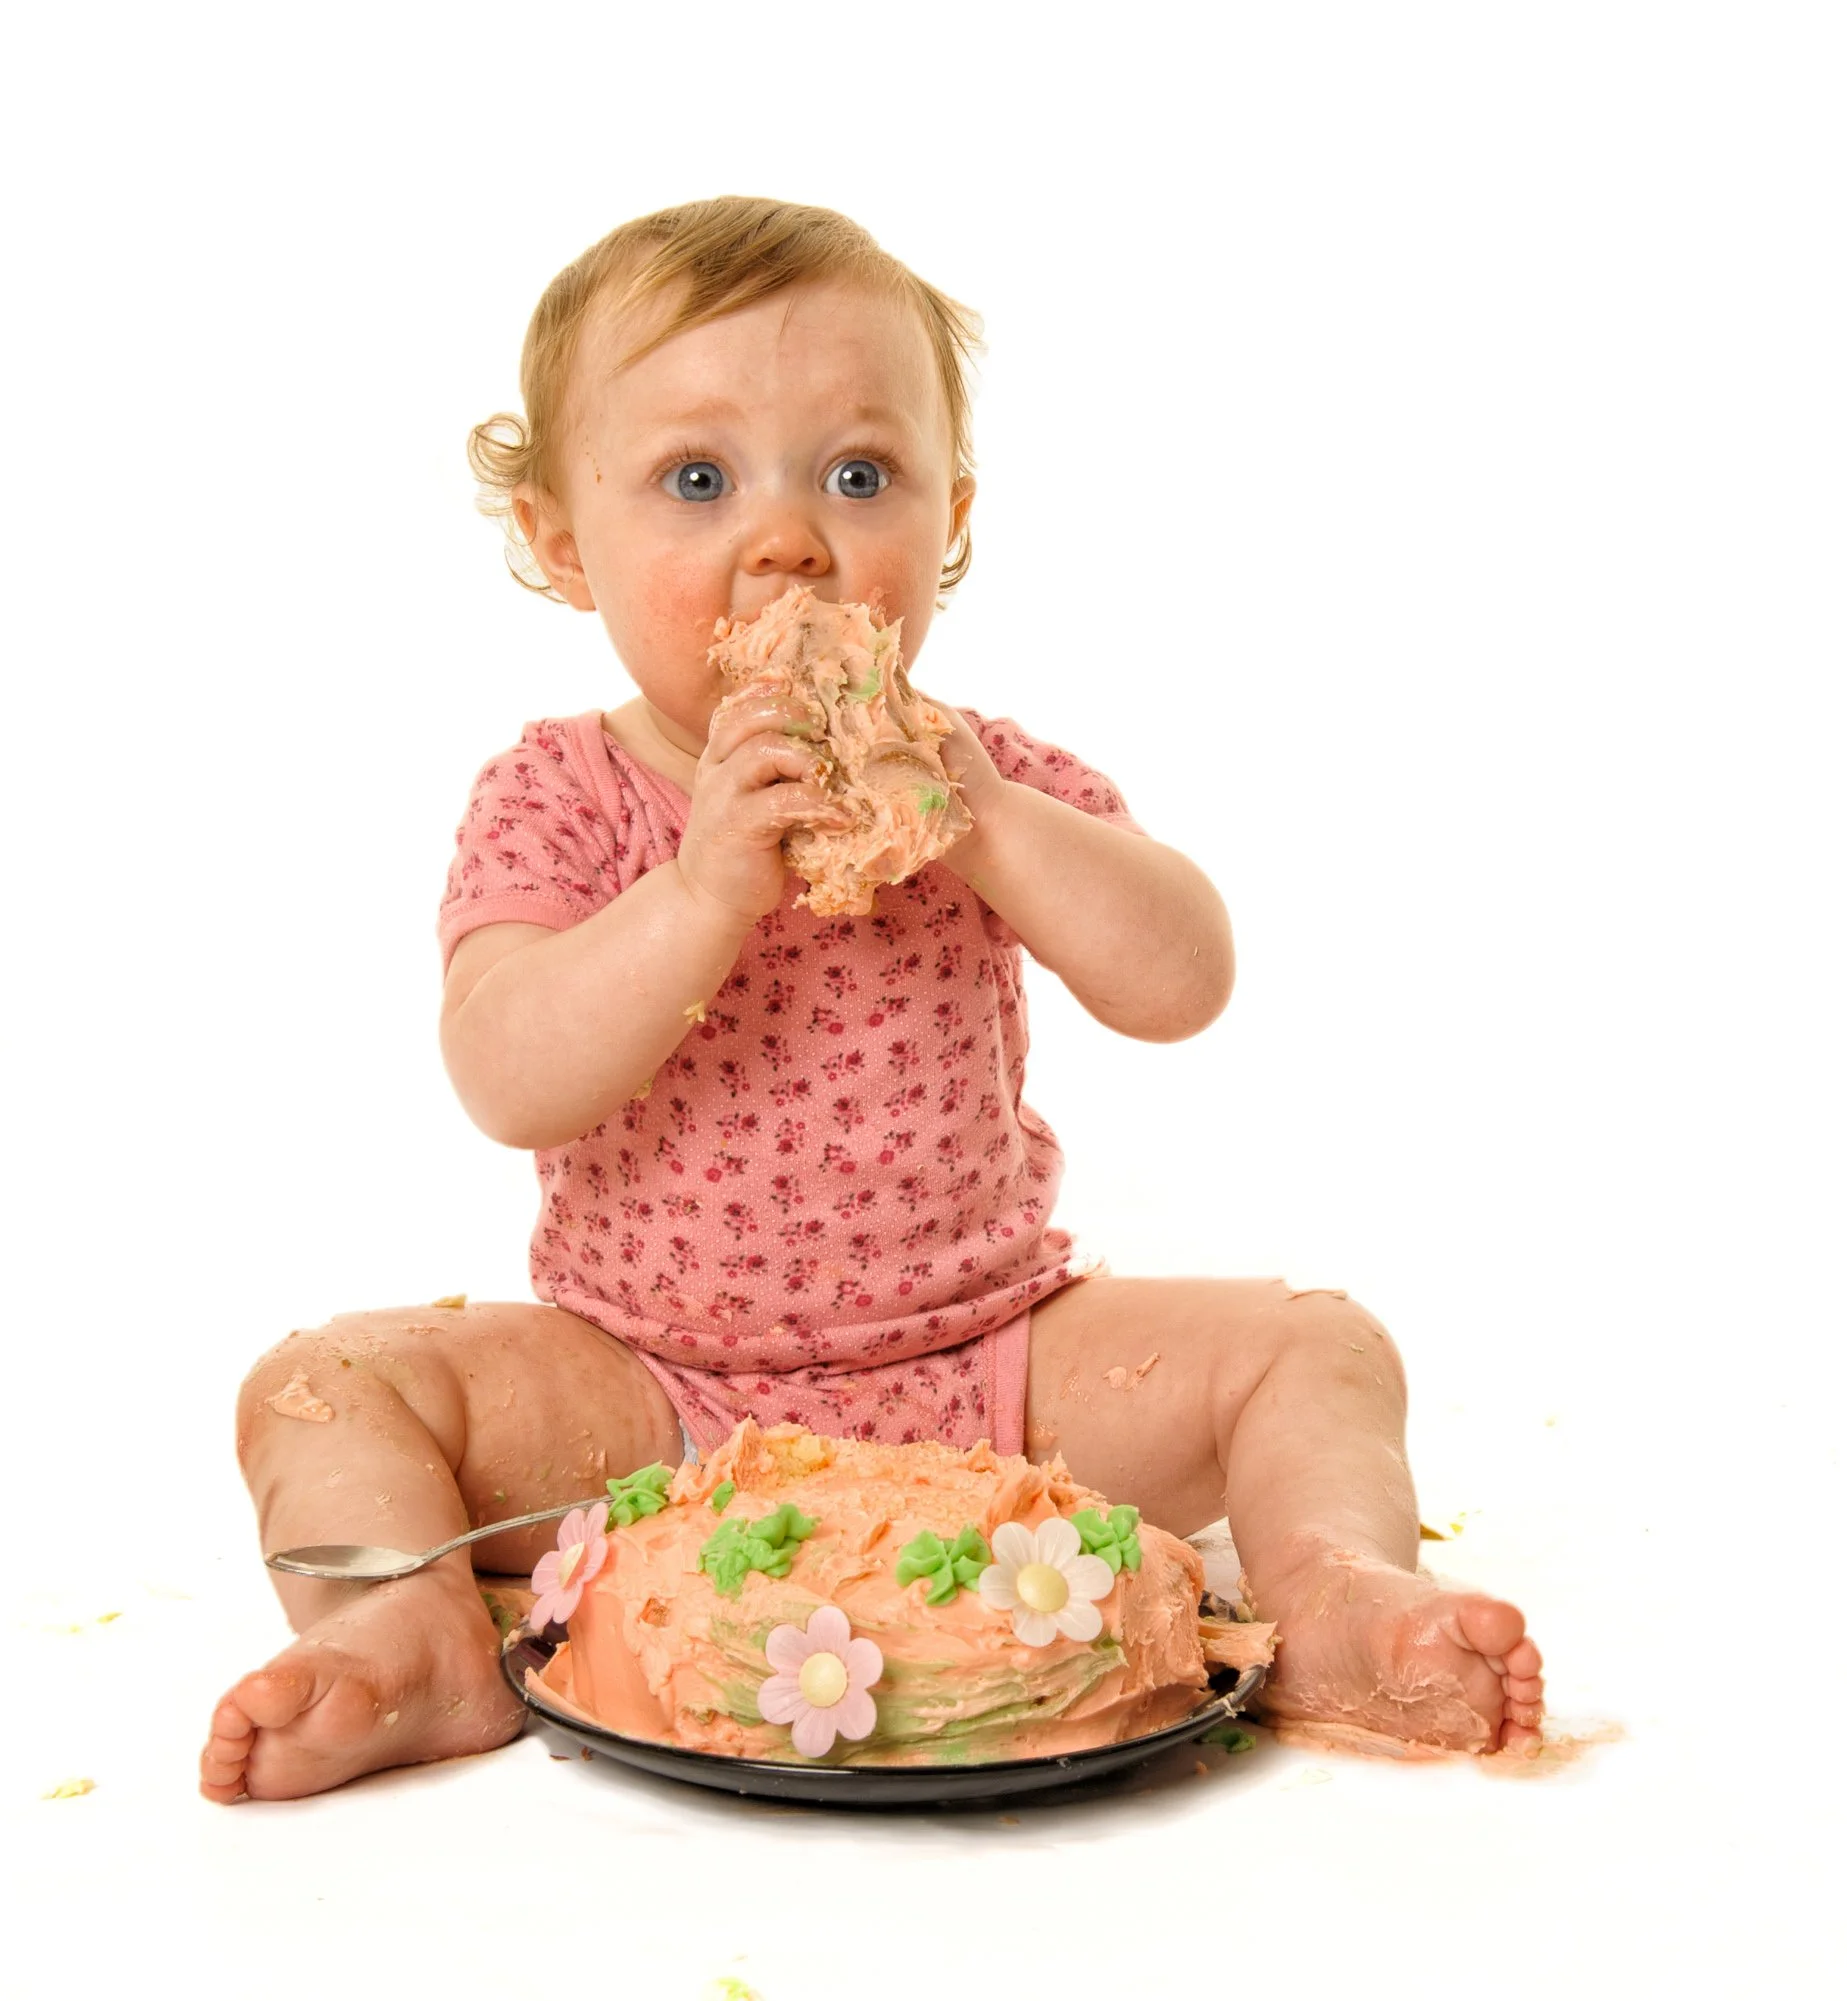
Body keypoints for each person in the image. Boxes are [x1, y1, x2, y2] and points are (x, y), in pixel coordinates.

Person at [199, 196, 1542, 1802]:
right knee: (322, 1387)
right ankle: (413, 1641)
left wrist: (989, 826)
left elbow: (1185, 977)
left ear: (951, 521)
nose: (788, 541)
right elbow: (507, 1072)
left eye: (859, 476)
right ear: (564, 541)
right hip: (646, 1396)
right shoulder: (560, 793)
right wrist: (698, 893)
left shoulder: (989, 774)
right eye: (699, 483)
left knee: (1318, 1350)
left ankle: (1329, 1597)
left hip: (997, 1375)